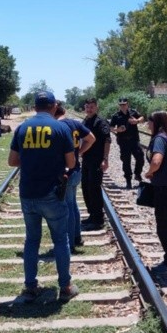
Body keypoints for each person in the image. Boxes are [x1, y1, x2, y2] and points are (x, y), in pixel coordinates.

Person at [8, 91, 79, 303]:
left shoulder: (22, 128)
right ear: (54, 106)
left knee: (32, 240)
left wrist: (32, 162)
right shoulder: (60, 128)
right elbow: (72, 162)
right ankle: (65, 286)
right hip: (52, 194)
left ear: (35, 106)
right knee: (60, 239)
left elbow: (12, 161)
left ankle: (30, 286)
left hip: (28, 193)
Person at [143, 111, 167, 286]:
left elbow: (157, 161)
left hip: (165, 187)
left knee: (163, 225)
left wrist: (150, 172)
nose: (147, 125)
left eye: (149, 121)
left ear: (156, 122)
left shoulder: (159, 139)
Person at [55, 101, 96, 253]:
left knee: (67, 207)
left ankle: (70, 242)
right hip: (76, 170)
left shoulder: (58, 127)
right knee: (73, 204)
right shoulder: (74, 123)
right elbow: (91, 138)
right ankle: (77, 237)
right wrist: (79, 152)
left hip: (66, 171)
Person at [80, 97, 111, 231]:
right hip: (86, 160)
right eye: (87, 107)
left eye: (92, 106)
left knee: (94, 189)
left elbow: (107, 140)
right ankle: (92, 215)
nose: (89, 109)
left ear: (96, 107)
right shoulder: (85, 121)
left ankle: (98, 220)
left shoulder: (101, 122)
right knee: (86, 188)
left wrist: (105, 159)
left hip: (97, 160)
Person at [109, 97, 145, 189]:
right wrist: (118, 130)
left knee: (140, 157)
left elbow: (142, 118)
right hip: (123, 141)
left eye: (124, 104)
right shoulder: (116, 116)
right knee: (126, 161)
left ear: (127, 104)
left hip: (134, 140)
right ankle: (128, 181)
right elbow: (111, 128)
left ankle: (137, 173)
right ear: (119, 105)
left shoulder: (133, 112)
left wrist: (136, 121)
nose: (123, 106)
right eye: (121, 105)